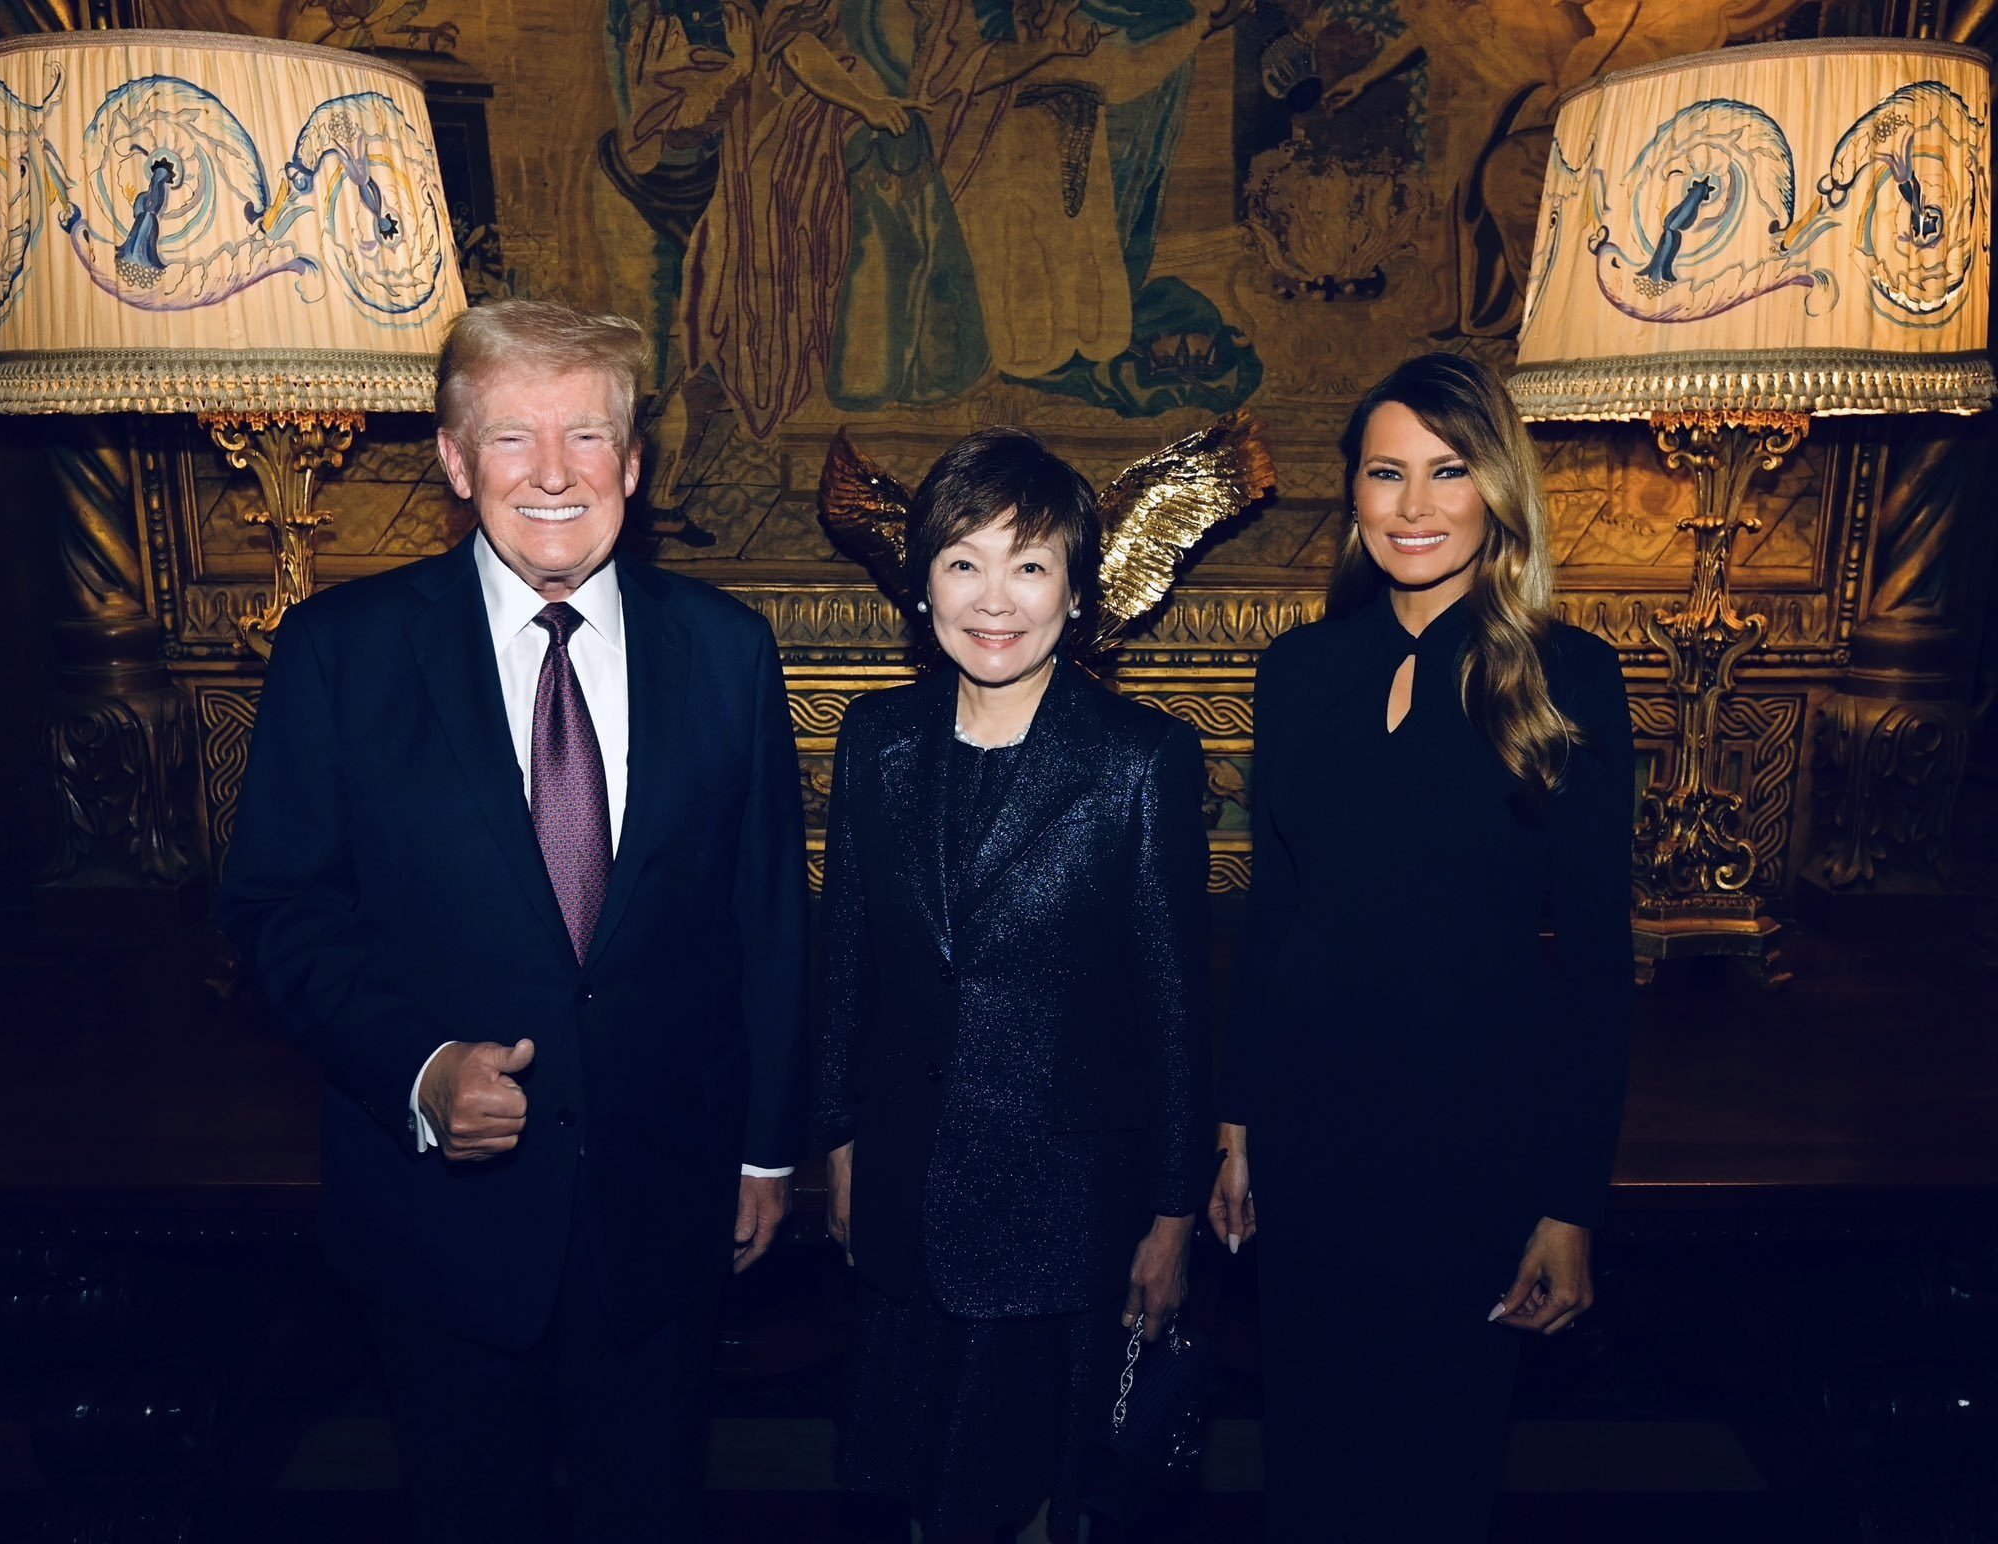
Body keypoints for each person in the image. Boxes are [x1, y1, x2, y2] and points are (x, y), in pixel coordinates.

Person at [218, 299, 808, 1543]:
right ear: (451, 459)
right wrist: (418, 1068)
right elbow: (280, 911)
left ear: (633, 464)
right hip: (441, 1225)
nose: (552, 474)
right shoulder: (341, 652)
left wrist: (763, 1149)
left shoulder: (725, 650)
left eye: (586, 438)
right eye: (511, 440)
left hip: (663, 1213)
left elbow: (763, 917)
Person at [1209, 353, 1634, 1541]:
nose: (1411, 505)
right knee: (1307, 1456)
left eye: (1446, 472)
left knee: (1435, 1476)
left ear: (1495, 488)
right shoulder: (1300, 670)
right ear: (1348, 491)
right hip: (1310, 1134)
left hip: (1472, 1146)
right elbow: (1274, 913)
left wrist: (1569, 1202)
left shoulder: (1567, 677)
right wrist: (1237, 1123)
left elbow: (1596, 967)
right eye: (1384, 472)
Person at [813, 428, 1213, 1543]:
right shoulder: (874, 740)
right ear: (922, 583)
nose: (995, 597)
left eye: (1029, 564)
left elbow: (1177, 1008)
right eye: (963, 561)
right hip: (903, 1196)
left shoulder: (1139, 760)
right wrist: (837, 1141)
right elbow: (845, 955)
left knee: (1034, 1504)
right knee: (910, 1493)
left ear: (1077, 592)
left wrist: (1173, 1212)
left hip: (1060, 1216)